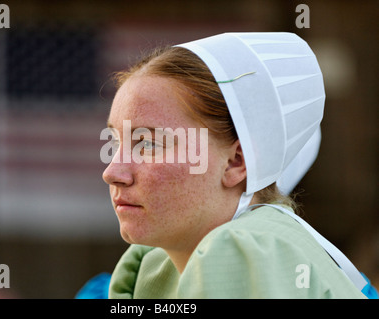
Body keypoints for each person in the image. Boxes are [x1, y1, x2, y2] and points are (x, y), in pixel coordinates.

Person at [100, 32, 374, 298]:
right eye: (115, 143)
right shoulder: (155, 263)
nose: (112, 173)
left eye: (148, 144)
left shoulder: (242, 251)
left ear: (236, 163)